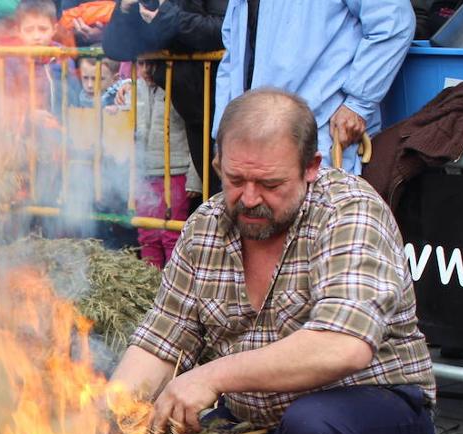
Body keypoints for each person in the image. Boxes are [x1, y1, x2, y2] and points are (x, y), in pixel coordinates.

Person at [110, 89, 436, 434]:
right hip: (263, 430)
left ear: (311, 168)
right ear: (217, 163)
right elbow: (157, 346)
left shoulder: (350, 212)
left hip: (377, 415)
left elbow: (344, 347)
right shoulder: (207, 229)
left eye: (270, 184)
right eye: (236, 179)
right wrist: (99, 430)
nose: (250, 199)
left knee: (316, 427)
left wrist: (210, 377)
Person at [213, 0, 415, 175]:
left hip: (320, 136)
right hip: (251, 140)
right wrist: (223, 134)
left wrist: (357, 105)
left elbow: (394, 22)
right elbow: (233, 57)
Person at [103, 0, 228, 193]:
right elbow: (116, 47)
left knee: (225, 190)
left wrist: (169, 17)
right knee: (213, 195)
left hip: (221, 106)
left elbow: (225, 31)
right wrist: (124, 10)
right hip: (186, 109)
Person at [132, 60, 194, 267]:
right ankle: (149, 283)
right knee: (146, 233)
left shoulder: (179, 88)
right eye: (141, 63)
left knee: (172, 234)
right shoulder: (134, 87)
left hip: (175, 171)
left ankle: (171, 286)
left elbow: (196, 131)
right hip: (143, 172)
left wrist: (195, 177)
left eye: (153, 63)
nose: (146, 70)